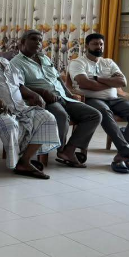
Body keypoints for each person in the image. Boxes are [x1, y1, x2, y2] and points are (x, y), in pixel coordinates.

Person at [0, 32, 60, 179]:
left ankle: (25, 160)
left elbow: (19, 85)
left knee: (48, 118)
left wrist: (35, 95)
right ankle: (17, 162)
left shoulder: (6, 62)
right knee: (10, 125)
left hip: (19, 106)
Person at [10, 30, 101, 168]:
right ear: (22, 42)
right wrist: (42, 92)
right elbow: (19, 86)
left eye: (40, 40)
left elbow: (58, 78)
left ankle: (69, 150)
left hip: (63, 96)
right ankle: (61, 149)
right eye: (34, 39)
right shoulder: (16, 63)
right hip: (43, 100)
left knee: (94, 115)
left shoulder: (44, 58)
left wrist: (69, 94)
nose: (38, 42)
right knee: (62, 115)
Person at [68, 33, 129, 173]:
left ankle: (122, 155)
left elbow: (122, 82)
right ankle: (128, 153)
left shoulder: (108, 62)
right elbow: (85, 84)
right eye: (95, 44)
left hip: (114, 99)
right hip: (92, 99)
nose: (99, 46)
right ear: (86, 46)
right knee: (104, 111)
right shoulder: (78, 63)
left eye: (101, 44)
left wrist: (97, 79)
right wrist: (110, 82)